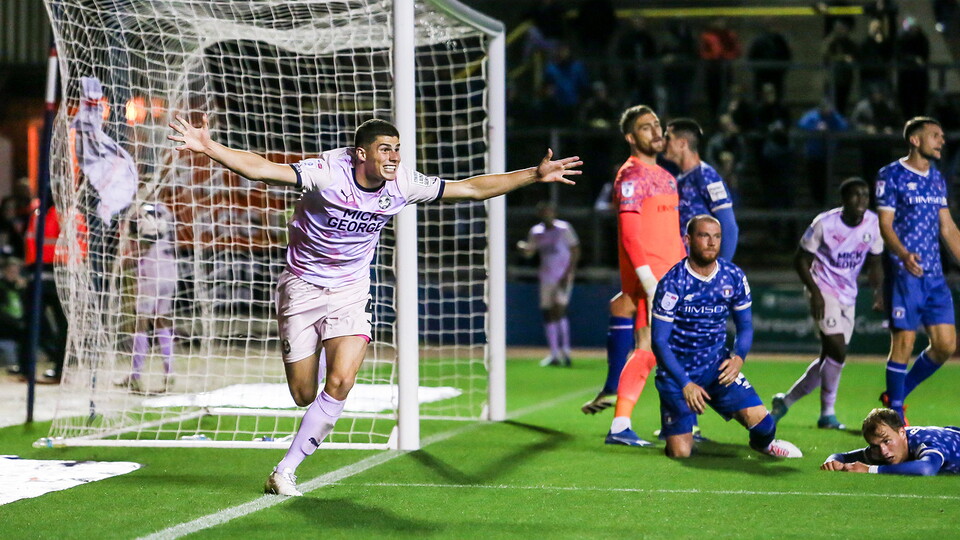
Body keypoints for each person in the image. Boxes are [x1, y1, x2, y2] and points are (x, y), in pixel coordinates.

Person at [168, 115, 582, 496]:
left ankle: (285, 471)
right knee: (303, 392)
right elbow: (262, 169)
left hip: (351, 289)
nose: (394, 157)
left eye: (397, 148)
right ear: (360, 153)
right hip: (303, 287)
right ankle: (310, 395)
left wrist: (534, 174)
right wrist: (210, 147)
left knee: (343, 381)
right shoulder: (327, 172)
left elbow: (470, 188)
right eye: (385, 148)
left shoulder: (402, 183)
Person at [652, 215, 802, 459]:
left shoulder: (733, 276)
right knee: (680, 453)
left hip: (716, 368)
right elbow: (658, 341)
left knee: (765, 426)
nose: (711, 242)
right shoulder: (673, 282)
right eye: (704, 236)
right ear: (688, 240)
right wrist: (685, 383)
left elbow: (745, 327)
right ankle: (678, 431)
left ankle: (762, 445)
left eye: (717, 236)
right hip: (678, 373)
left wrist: (738, 358)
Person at [580, 105, 686, 449]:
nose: (656, 132)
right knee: (646, 348)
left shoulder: (667, 177)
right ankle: (621, 424)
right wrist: (650, 282)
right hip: (652, 280)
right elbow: (630, 236)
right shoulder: (631, 176)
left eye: (657, 125)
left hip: (674, 278)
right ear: (630, 137)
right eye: (645, 127)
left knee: (662, 351)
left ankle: (670, 424)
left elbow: (672, 234)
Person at [771, 178, 884, 429]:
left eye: (865, 195)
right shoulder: (824, 223)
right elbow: (800, 259)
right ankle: (828, 414)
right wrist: (815, 292)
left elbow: (875, 262)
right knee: (838, 350)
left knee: (829, 357)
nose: (862, 200)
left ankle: (786, 402)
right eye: (855, 195)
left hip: (849, 294)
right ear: (843, 200)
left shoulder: (873, 224)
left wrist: (878, 291)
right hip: (822, 288)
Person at [876, 116, 960, 424]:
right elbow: (884, 225)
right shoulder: (891, 175)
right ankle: (894, 416)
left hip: (934, 276)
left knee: (946, 345)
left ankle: (896, 394)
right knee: (904, 344)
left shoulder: (937, 178)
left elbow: (948, 228)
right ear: (915, 139)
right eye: (935, 135)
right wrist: (902, 254)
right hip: (904, 274)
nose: (941, 141)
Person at [116, 202, 178, 394]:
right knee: (162, 322)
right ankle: (170, 372)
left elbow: (143, 244)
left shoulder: (142, 211)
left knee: (140, 323)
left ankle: (135, 376)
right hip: (169, 270)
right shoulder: (164, 210)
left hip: (150, 273)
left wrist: (123, 264)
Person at [662, 118, 739, 262]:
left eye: (667, 138)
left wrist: (719, 270)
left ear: (682, 143)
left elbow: (729, 227)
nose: (662, 143)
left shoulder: (707, 176)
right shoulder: (678, 180)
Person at [517, 202, 580, 367]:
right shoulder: (536, 231)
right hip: (546, 276)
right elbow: (531, 252)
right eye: (543, 212)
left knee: (558, 310)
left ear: (553, 212)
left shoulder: (564, 229)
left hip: (562, 276)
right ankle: (554, 353)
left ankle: (566, 351)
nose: (546, 214)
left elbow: (575, 250)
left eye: (548, 211)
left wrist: (568, 274)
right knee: (547, 313)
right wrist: (524, 249)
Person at [822, 408, 960, 475]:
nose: (883, 451)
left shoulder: (925, 442)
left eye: (887, 441)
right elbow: (843, 456)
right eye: (875, 446)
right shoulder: (881, 448)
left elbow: (926, 469)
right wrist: (832, 462)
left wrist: (870, 469)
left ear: (902, 432)